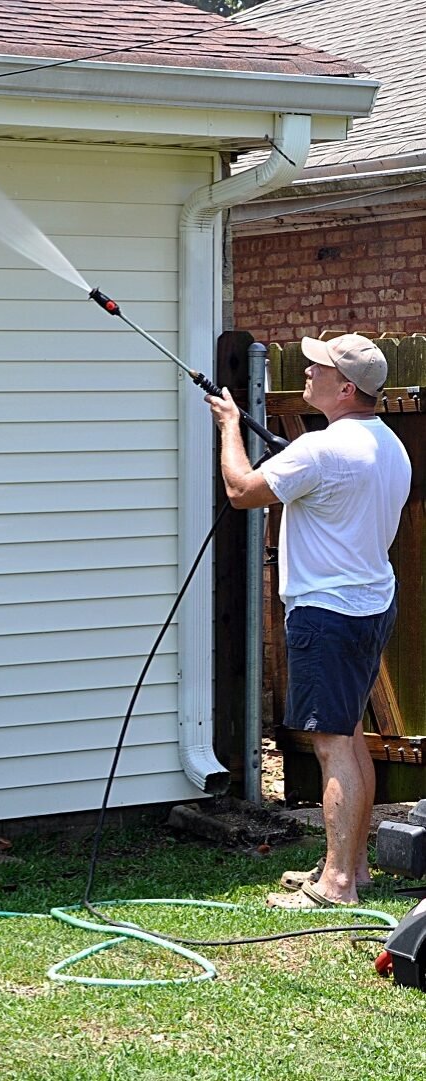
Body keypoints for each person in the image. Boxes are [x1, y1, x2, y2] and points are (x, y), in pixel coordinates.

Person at [207, 334, 411, 908]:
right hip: (371, 605)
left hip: (327, 613)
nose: (306, 371)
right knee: (349, 736)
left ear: (345, 388)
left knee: (331, 747)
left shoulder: (320, 449)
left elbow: (243, 490)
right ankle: (357, 868)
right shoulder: (390, 444)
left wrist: (229, 425)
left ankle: (336, 884)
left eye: (318, 367)